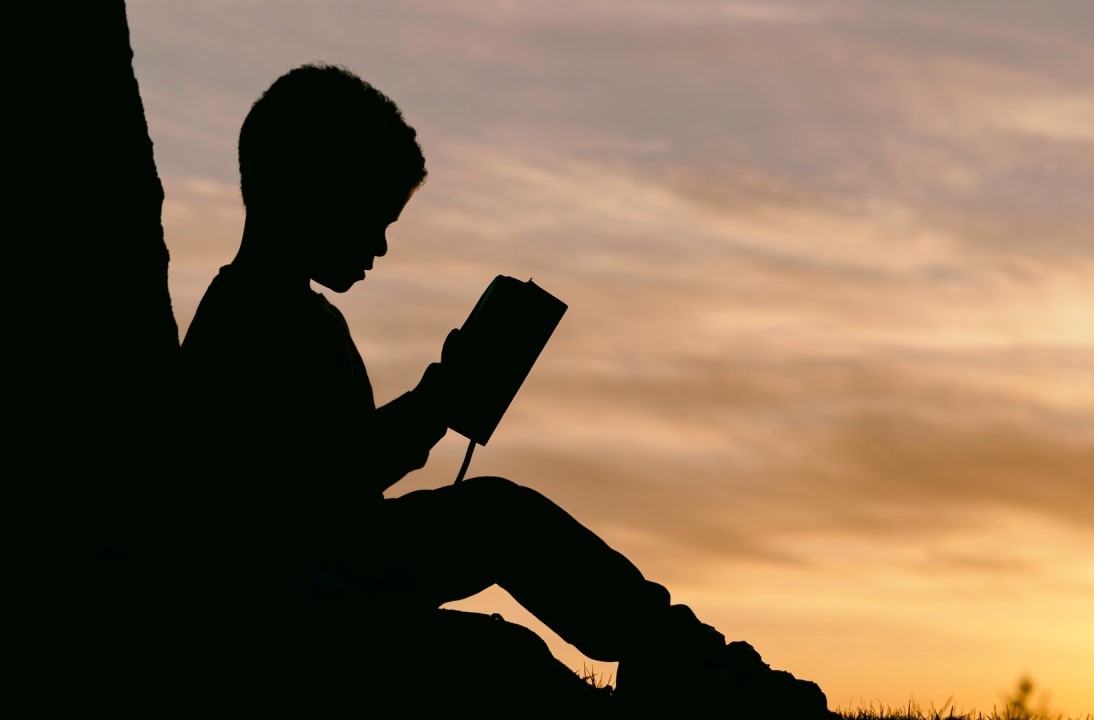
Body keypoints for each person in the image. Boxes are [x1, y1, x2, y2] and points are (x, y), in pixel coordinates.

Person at [177, 62, 831, 717]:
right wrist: (437, 403)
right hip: (296, 602)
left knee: (499, 514)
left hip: (340, 561)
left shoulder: (300, 314)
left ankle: (688, 661)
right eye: (371, 216)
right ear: (311, 191)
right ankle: (689, 682)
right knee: (504, 654)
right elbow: (308, 492)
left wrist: (439, 398)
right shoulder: (246, 321)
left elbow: (342, 470)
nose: (378, 246)